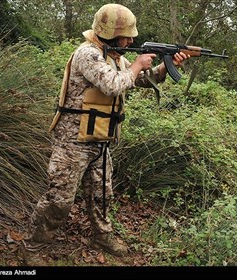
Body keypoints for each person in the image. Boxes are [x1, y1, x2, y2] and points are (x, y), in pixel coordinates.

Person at [22, 3, 189, 262]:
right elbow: (112, 84)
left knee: (102, 193)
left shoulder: (114, 55)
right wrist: (135, 66)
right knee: (60, 199)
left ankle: (101, 236)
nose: (132, 39)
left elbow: (140, 80)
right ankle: (32, 247)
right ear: (110, 33)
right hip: (73, 140)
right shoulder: (87, 54)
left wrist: (164, 67)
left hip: (101, 137)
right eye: (127, 35)